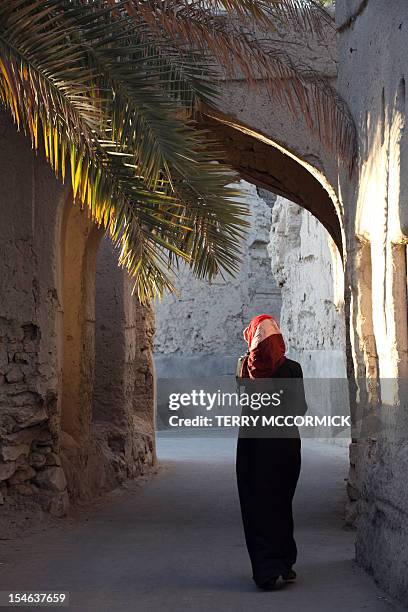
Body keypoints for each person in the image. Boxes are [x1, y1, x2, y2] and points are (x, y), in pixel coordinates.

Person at [236, 314, 307, 590]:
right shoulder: (293, 368)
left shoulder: (245, 367)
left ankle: (265, 569)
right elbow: (299, 410)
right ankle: (285, 563)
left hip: (253, 448)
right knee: (281, 503)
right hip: (286, 447)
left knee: (256, 505)